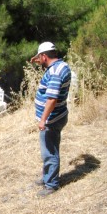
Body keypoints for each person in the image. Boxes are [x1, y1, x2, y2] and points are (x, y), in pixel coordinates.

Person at [30, 42, 71, 197]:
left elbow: (52, 99)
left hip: (51, 119)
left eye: (40, 57)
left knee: (49, 152)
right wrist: (38, 59)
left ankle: (51, 184)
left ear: (45, 56)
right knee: (52, 148)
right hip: (60, 115)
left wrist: (43, 120)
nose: (38, 60)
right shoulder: (62, 66)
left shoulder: (54, 73)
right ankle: (48, 175)